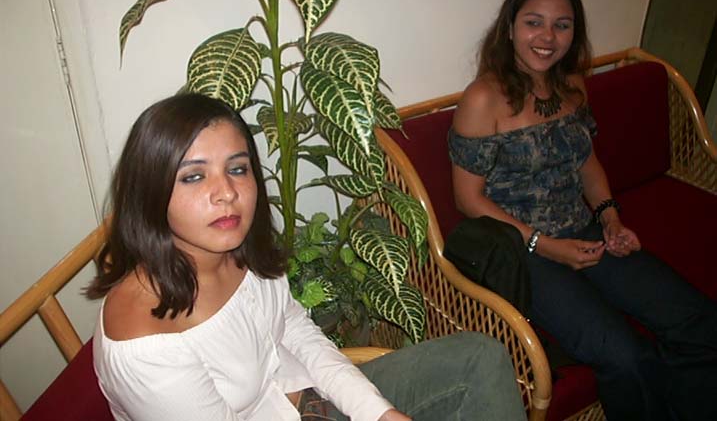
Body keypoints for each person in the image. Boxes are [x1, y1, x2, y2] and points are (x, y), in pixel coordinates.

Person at [87, 93, 526, 421]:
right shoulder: (146, 343)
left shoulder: (238, 251)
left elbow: (296, 331)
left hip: (306, 399)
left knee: (479, 356)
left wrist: (377, 413)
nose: (227, 193)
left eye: (237, 169)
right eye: (194, 176)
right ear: (151, 191)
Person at [449, 0, 717, 421]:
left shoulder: (572, 85)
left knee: (697, 321)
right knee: (625, 357)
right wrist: (547, 245)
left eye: (562, 25)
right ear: (510, 27)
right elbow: (468, 200)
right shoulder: (483, 98)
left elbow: (587, 164)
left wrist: (611, 218)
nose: (547, 37)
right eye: (534, 22)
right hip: (523, 251)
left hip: (586, 231)